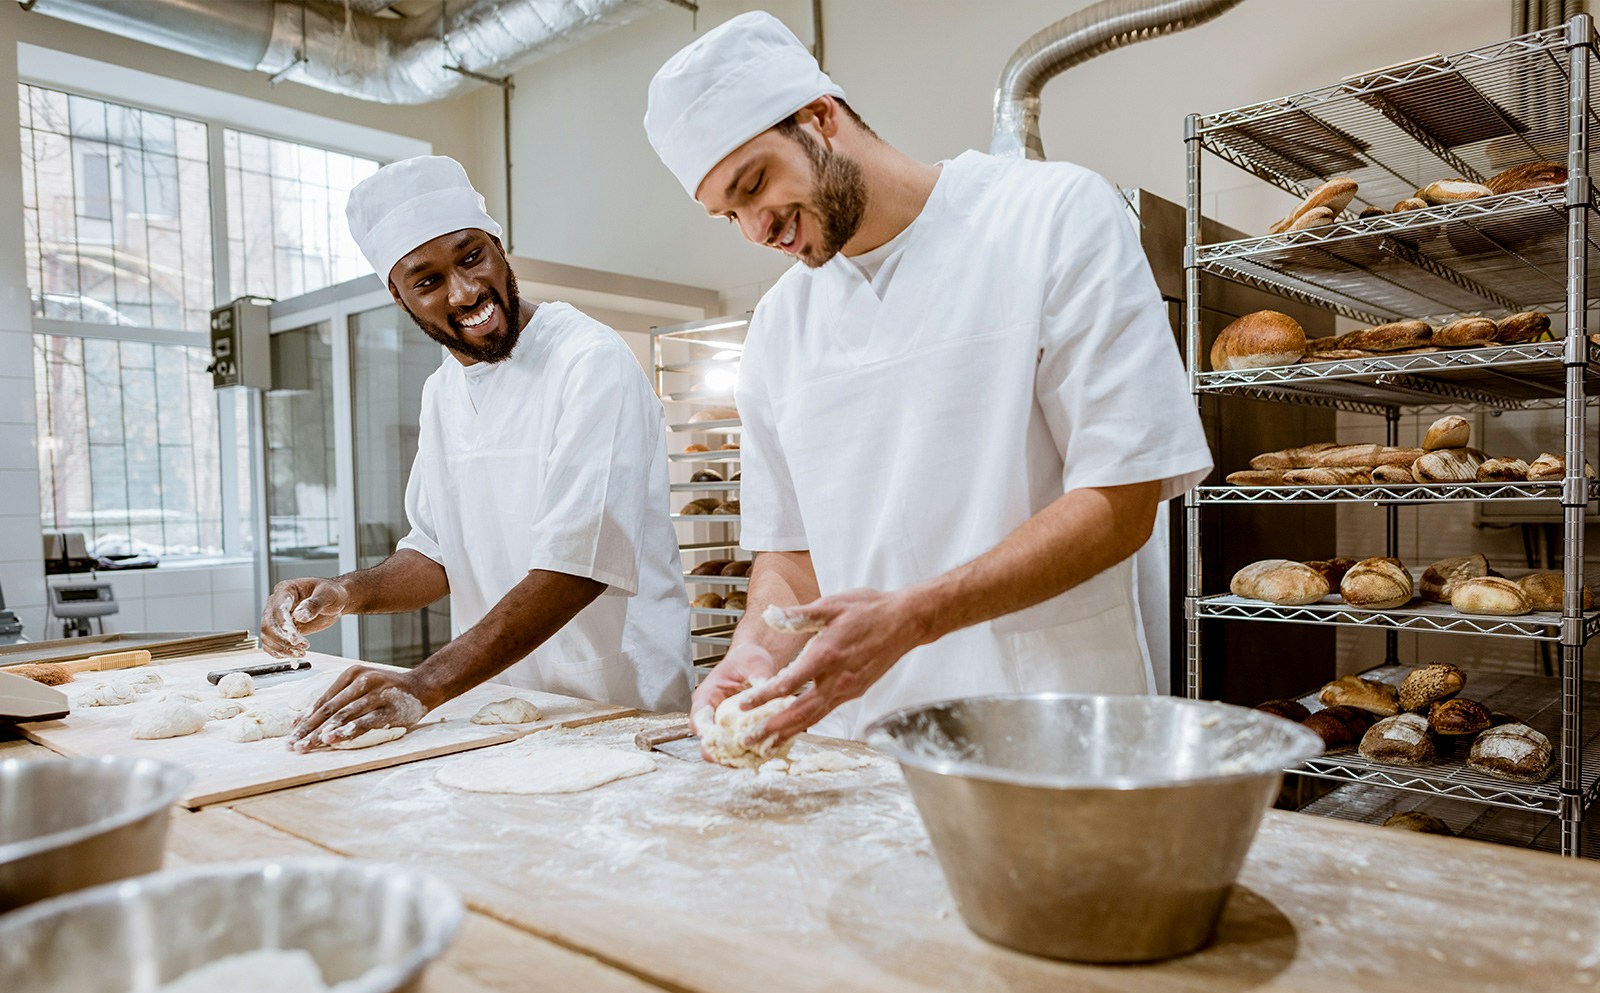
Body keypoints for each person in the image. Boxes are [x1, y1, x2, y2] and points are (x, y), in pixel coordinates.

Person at [643, 12, 1212, 751]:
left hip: (1051, 726)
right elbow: (790, 555)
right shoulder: (780, 326)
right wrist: (757, 646)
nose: (757, 230)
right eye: (730, 215)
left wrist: (915, 616)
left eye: (755, 185)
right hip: (860, 746)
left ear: (821, 117)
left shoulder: (1051, 216)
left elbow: (1123, 497)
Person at [262, 155, 691, 751]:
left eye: (471, 257)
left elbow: (579, 565)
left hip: (616, 704)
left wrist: (423, 684)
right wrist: (346, 592)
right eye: (428, 281)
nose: (465, 291)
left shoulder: (589, 360)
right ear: (400, 297)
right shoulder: (442, 391)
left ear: (497, 244)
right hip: (500, 704)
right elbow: (436, 553)